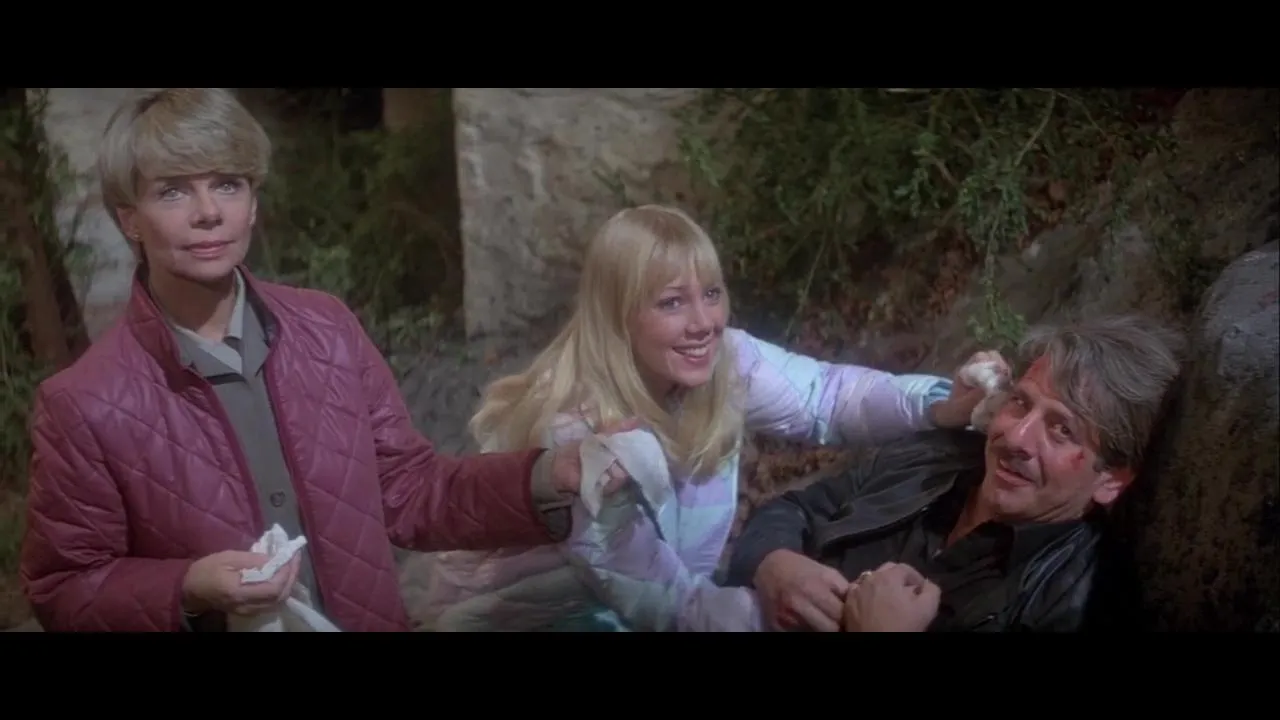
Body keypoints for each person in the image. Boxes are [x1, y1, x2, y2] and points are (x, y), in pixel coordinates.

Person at [19, 87, 628, 633]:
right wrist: (188, 587)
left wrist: (547, 475)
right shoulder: (84, 402)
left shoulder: (327, 329)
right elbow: (65, 592)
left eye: (227, 184)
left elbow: (410, 491)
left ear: (253, 203)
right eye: (173, 190)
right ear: (130, 218)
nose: (208, 211)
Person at [404, 203, 995, 632]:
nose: (703, 322)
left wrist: (937, 403)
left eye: (711, 294)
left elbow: (828, 396)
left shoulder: (724, 361)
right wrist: (813, 618)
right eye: (672, 302)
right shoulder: (579, 432)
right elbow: (660, 601)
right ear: (618, 317)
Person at [725, 314, 1185, 632]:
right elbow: (793, 509)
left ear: (1111, 479)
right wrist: (773, 564)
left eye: (1062, 430)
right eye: (1020, 402)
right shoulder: (933, 457)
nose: (1016, 436)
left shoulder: (1078, 606)